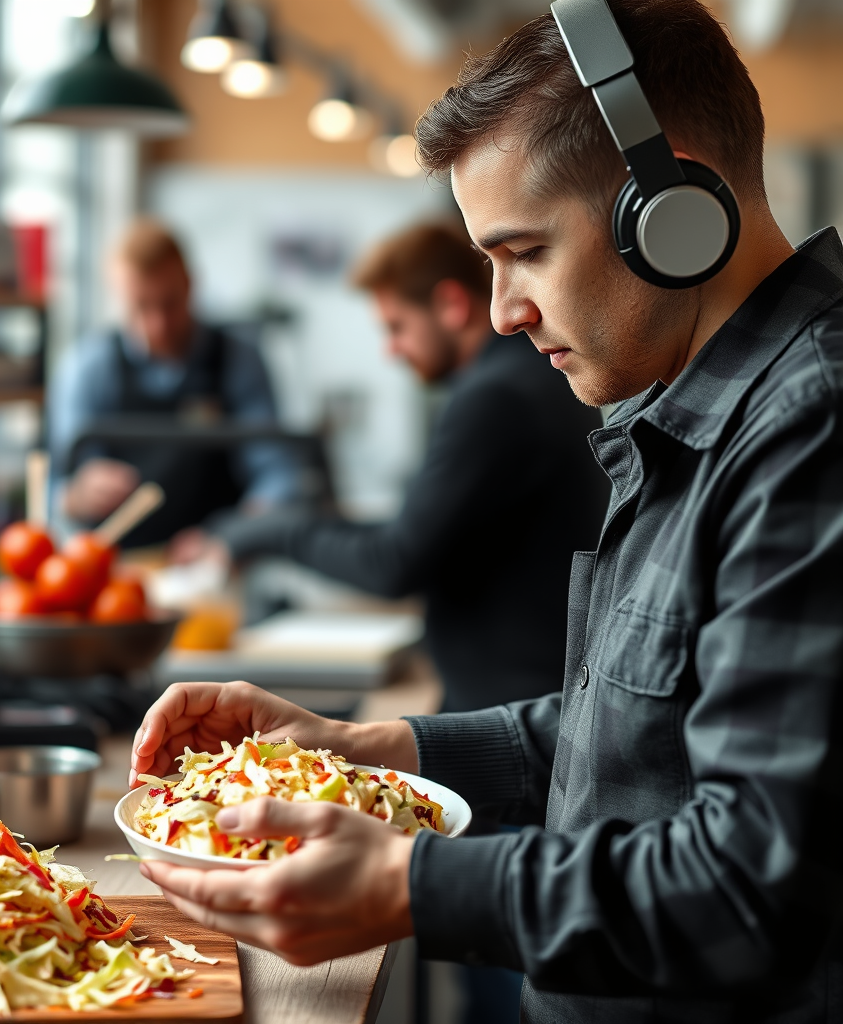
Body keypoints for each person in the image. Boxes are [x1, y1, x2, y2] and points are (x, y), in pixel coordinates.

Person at [128, 2, 843, 1022]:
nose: (502, 310)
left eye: (524, 251)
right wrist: (367, 751)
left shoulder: (811, 425)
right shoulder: (693, 409)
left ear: (673, 202)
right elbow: (635, 744)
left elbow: (745, 883)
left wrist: (404, 884)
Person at [175, 222, 607, 714]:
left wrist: (262, 532)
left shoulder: (495, 400)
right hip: (522, 694)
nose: (391, 349)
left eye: (397, 327)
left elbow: (392, 562)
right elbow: (415, 531)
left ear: (450, 305)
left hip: (512, 707)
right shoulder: (528, 380)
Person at [47, 218, 300, 546]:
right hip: (117, 566)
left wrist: (236, 537)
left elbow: (275, 472)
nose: (157, 324)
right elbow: (52, 485)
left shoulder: (239, 360)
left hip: (217, 561)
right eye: (140, 307)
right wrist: (75, 497)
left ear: (192, 284)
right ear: (117, 297)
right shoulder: (88, 368)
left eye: (170, 303)